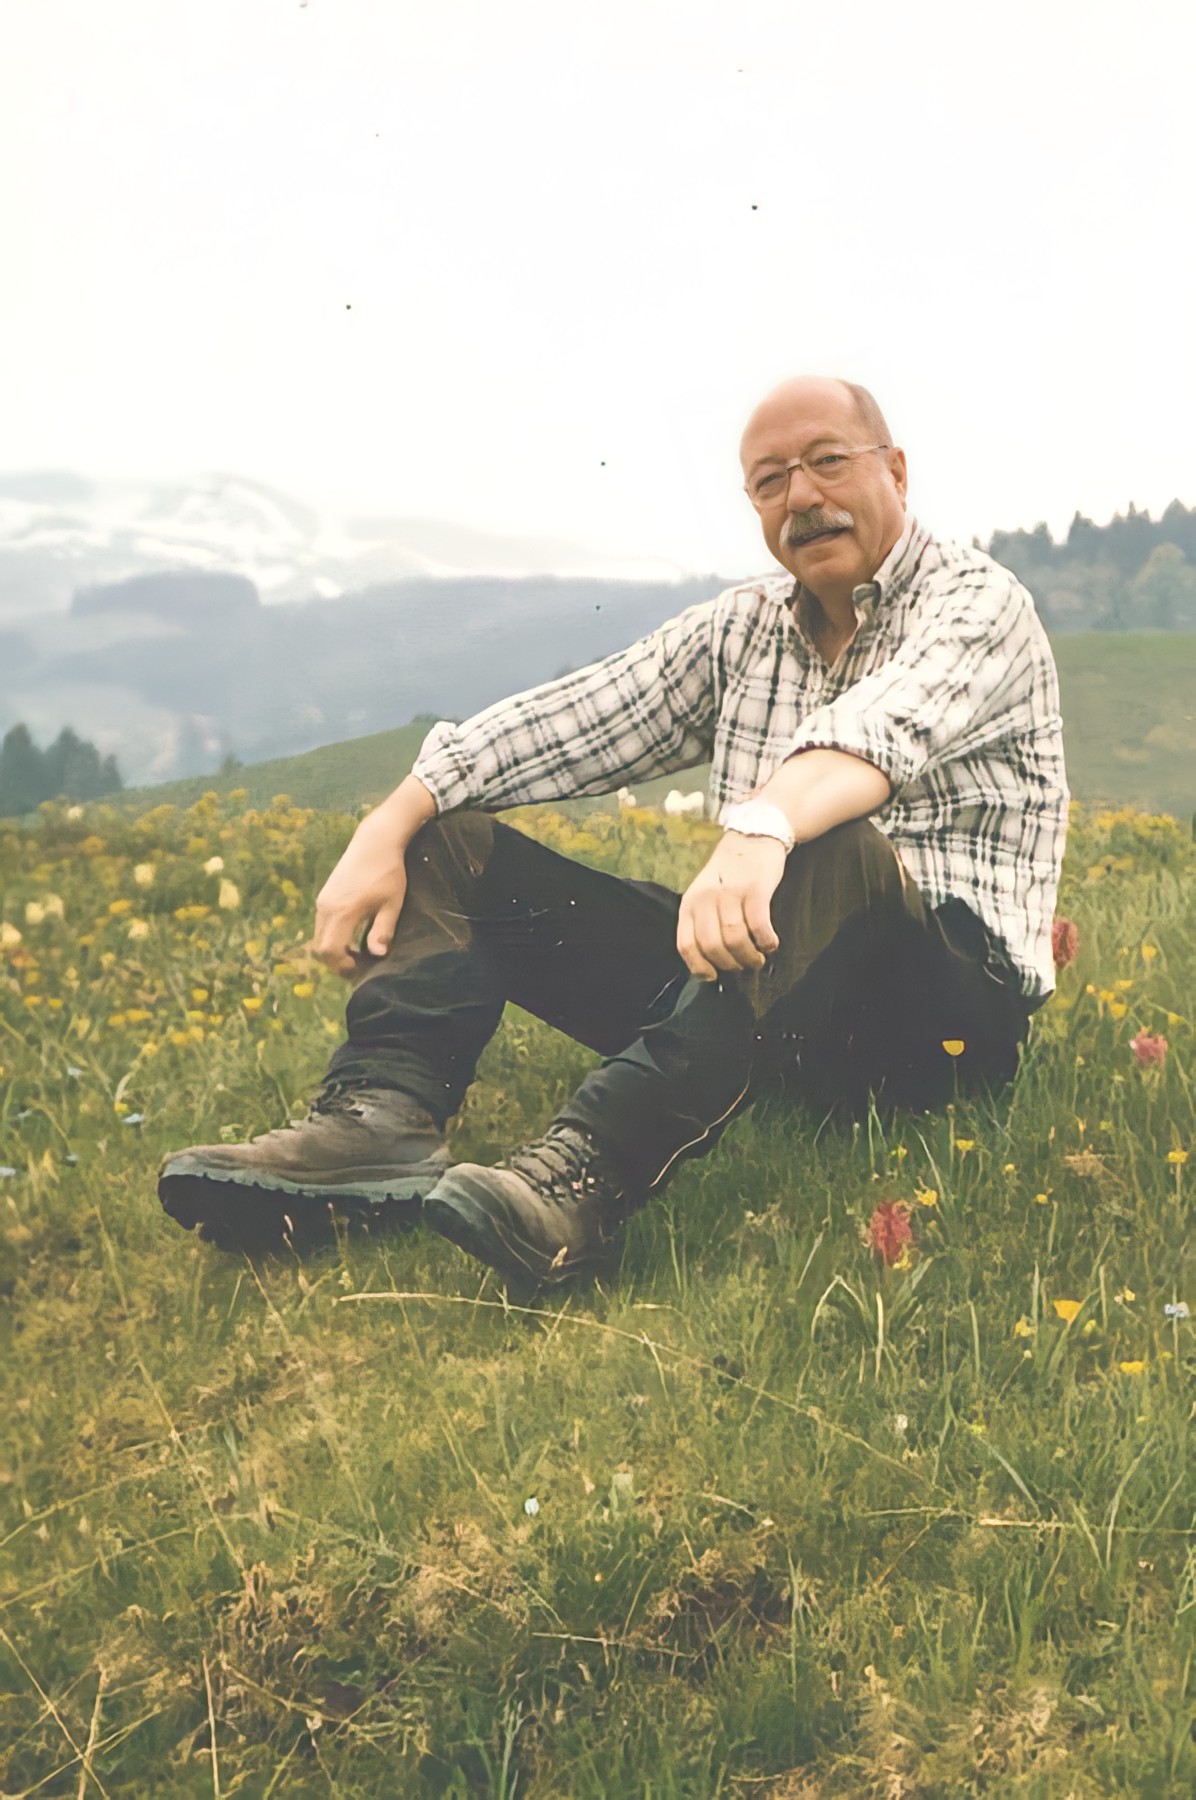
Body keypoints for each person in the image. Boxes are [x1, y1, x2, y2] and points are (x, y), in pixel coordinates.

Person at [159, 375, 1069, 1288]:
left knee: (833, 842)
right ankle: (376, 1126)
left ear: (896, 471)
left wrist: (765, 825)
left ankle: (581, 1176)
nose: (801, 496)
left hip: (937, 1021)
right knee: (450, 837)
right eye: (770, 480)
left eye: (828, 461)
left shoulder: (978, 604)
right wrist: (393, 818)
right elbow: (580, 718)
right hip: (775, 1007)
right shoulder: (743, 630)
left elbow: (881, 731)